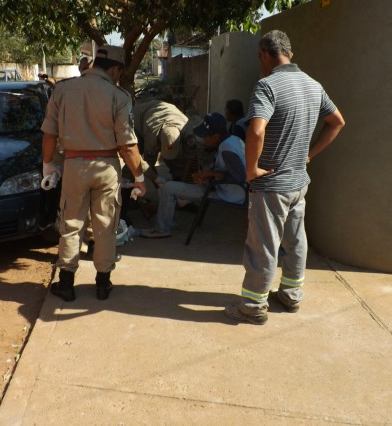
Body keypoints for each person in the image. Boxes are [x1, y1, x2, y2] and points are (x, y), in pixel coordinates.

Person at [224, 30, 345, 325]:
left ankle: (253, 306)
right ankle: (291, 295)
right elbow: (337, 122)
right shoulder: (314, 86)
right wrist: (309, 155)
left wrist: (251, 170)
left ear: (264, 54)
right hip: (298, 183)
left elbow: (255, 130)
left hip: (271, 186)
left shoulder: (267, 85)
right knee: (295, 239)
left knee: (263, 244)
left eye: (259, 58)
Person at [41, 45, 146, 301]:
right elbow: (128, 144)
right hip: (107, 167)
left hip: (75, 166)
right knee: (105, 226)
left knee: (72, 224)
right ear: (114, 69)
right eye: (119, 72)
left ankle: (66, 284)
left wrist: (48, 165)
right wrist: (140, 177)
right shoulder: (119, 96)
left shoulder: (62, 90)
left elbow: (49, 134)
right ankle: (103, 283)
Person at [140, 112, 246, 239]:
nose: (204, 140)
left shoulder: (227, 149)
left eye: (206, 137)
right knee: (175, 189)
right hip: (232, 191)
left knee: (167, 188)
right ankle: (168, 220)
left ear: (216, 136)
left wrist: (210, 174)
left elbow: (240, 177)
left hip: (230, 194)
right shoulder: (233, 140)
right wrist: (207, 176)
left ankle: (162, 229)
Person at [133, 99, 188, 182]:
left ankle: (177, 178)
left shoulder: (186, 127)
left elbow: (189, 155)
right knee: (133, 159)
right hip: (136, 120)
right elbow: (148, 164)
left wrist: (183, 181)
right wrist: (157, 180)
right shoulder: (151, 135)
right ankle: (128, 188)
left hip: (163, 115)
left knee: (176, 160)